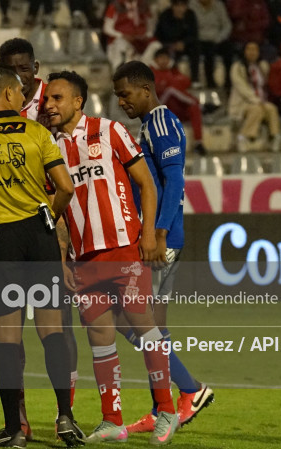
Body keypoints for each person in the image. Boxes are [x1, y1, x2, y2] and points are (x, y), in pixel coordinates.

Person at [0, 64, 83, 449]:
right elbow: (65, 188)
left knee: (7, 338)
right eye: (21, 91)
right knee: (52, 331)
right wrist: (47, 218)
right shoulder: (36, 132)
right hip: (39, 237)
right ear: (7, 93)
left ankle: (14, 431)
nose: (25, 97)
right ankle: (65, 417)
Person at [45, 70, 182, 445]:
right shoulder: (49, 148)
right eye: (47, 99)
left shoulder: (110, 131)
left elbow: (146, 183)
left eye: (57, 98)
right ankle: (112, 421)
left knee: (145, 330)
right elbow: (58, 213)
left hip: (123, 251)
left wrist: (149, 233)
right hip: (83, 261)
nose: (49, 105)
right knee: (100, 339)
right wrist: (62, 259)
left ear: (78, 101)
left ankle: (167, 411)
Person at [112, 60, 215, 436]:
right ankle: (162, 407)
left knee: (129, 320)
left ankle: (190, 389)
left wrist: (157, 234)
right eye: (117, 96)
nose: (121, 102)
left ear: (145, 89)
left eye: (125, 94)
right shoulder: (150, 125)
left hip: (160, 240)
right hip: (159, 237)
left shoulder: (161, 122)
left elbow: (174, 182)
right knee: (153, 326)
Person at [151, 48, 208, 155]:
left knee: (193, 108)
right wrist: (171, 83)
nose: (164, 61)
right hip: (161, 109)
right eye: (161, 58)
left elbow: (186, 82)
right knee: (171, 91)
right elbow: (159, 90)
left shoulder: (173, 71)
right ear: (155, 60)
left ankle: (198, 143)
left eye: (166, 58)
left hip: (177, 108)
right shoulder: (150, 74)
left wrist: (170, 83)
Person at [228, 42, 281, 152]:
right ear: (244, 52)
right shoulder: (237, 67)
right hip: (242, 103)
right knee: (257, 110)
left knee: (272, 108)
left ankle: (274, 136)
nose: (252, 52)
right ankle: (243, 137)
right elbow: (241, 87)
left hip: (261, 101)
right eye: (249, 49)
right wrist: (255, 100)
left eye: (255, 50)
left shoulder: (263, 66)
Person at [102, 0, 159, 70]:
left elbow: (150, 27)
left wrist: (146, 35)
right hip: (121, 40)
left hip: (140, 41)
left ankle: (143, 71)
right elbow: (107, 28)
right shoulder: (116, 5)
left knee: (156, 45)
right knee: (121, 45)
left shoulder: (143, 4)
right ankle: (120, 72)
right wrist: (123, 36)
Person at [155, 0, 200, 85]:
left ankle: (195, 79)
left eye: (183, 6)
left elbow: (194, 34)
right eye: (177, 6)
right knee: (170, 51)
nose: (180, 9)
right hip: (168, 43)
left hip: (185, 44)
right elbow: (164, 34)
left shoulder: (190, 14)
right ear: (172, 6)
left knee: (195, 47)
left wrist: (184, 43)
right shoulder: (165, 15)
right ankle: (172, 79)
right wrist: (178, 21)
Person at [190, 0, 232, 89]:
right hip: (199, 39)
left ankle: (228, 82)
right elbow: (190, 26)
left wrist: (219, 38)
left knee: (229, 49)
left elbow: (227, 25)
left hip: (217, 39)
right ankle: (203, 81)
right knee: (201, 49)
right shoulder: (191, 6)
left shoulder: (219, 5)